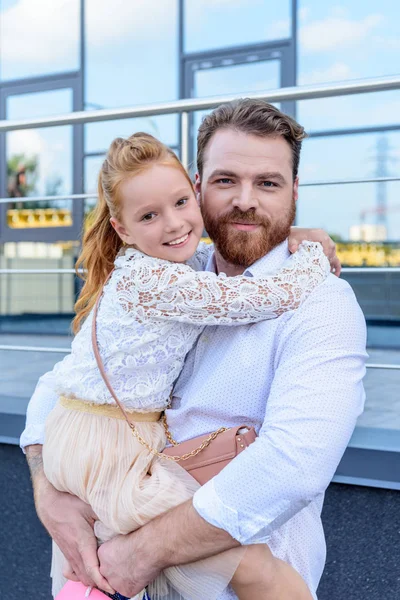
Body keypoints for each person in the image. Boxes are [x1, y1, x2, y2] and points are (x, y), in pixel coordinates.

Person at [21, 99, 366, 600]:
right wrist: (47, 492)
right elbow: (64, 379)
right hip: (115, 564)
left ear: (295, 191)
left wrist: (142, 551)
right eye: (226, 181)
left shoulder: (322, 305)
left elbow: (294, 464)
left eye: (267, 183)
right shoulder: (165, 273)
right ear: (198, 187)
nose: (245, 200)